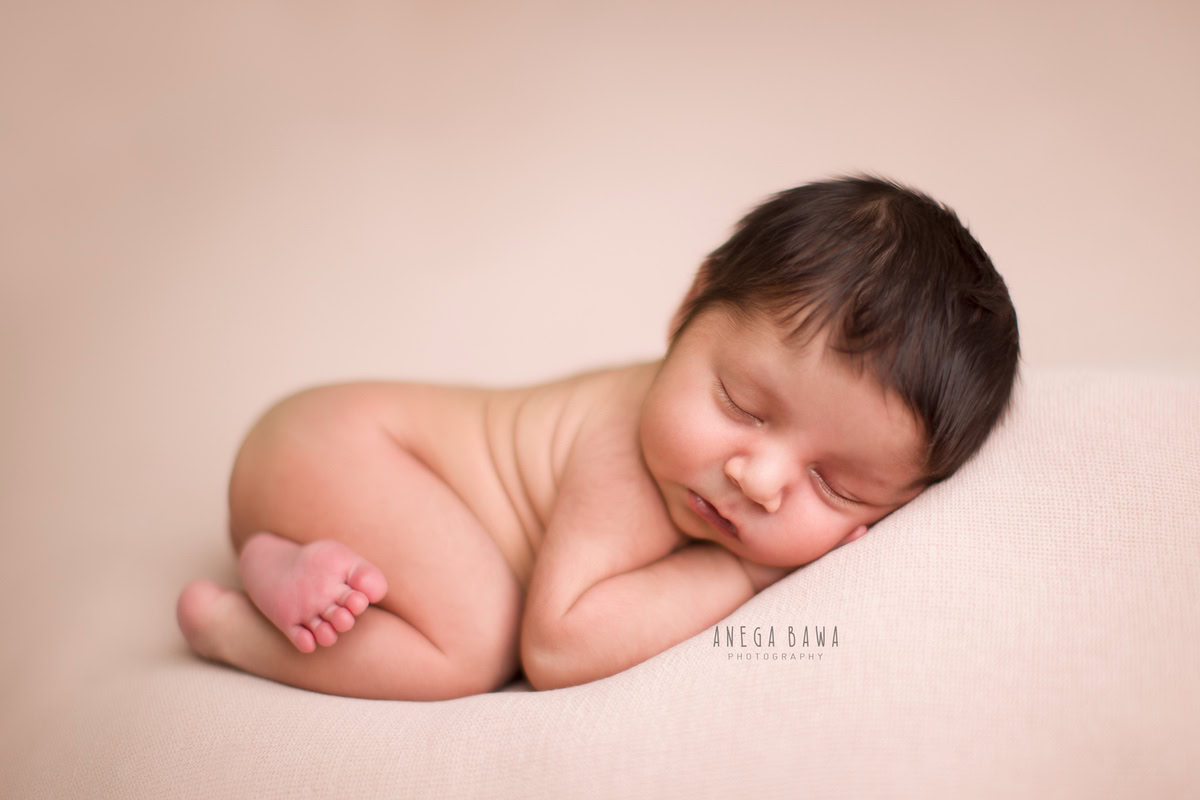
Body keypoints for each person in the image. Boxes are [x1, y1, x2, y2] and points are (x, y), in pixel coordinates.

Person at [176, 174, 1020, 699]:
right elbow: (556, 645)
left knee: (467, 610)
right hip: (341, 446)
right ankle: (229, 625)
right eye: (739, 403)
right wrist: (740, 569)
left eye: (838, 487)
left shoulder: (703, 458)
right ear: (690, 307)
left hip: (339, 472)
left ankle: (284, 561)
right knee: (475, 643)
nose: (759, 479)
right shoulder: (631, 454)